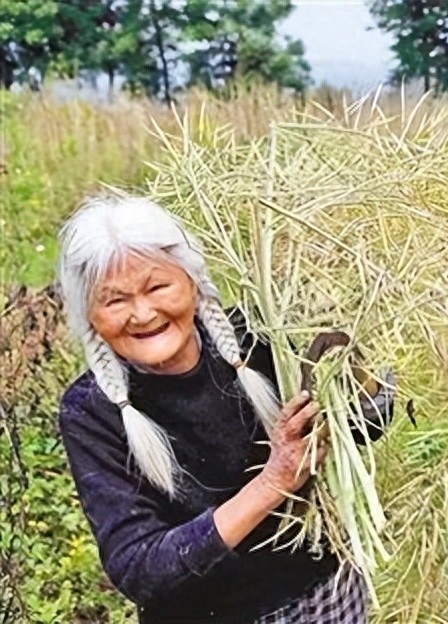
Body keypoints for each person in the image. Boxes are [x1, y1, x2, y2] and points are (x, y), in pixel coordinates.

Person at [55, 194, 397, 623]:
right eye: (114, 300)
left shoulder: (258, 335)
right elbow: (141, 569)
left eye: (158, 287)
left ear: (193, 282)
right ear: (89, 315)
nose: (142, 313)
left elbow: (359, 428)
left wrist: (366, 379)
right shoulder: (92, 411)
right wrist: (274, 480)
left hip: (325, 595)